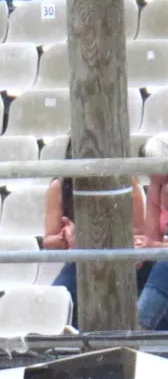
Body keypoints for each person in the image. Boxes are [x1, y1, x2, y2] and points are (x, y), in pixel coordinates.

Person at [44, 139, 148, 328]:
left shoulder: (127, 181)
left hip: (123, 257)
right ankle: (67, 341)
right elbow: (49, 240)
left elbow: (140, 230)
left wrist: (113, 238)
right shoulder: (60, 186)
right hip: (82, 259)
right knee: (58, 297)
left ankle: (140, 330)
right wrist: (65, 238)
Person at [135, 134, 168, 330]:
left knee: (164, 266)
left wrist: (152, 246)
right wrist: (155, 189)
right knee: (137, 264)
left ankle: (139, 327)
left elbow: (154, 244)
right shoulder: (158, 188)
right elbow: (152, 238)